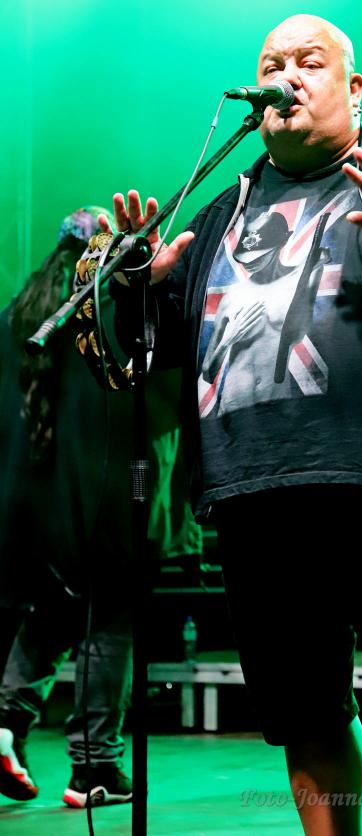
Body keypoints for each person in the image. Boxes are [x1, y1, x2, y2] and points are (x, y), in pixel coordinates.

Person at [106, 14, 362, 835]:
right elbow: (154, 358)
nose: (287, 76)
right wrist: (136, 293)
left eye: (310, 61)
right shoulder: (217, 212)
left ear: (353, 87)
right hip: (256, 501)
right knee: (306, 716)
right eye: (273, 64)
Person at [0, 207, 202, 809]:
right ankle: (96, 767)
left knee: (54, 613)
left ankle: (5, 724)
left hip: (36, 505)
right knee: (110, 622)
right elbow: (162, 400)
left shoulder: (20, 314)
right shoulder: (112, 310)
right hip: (110, 498)